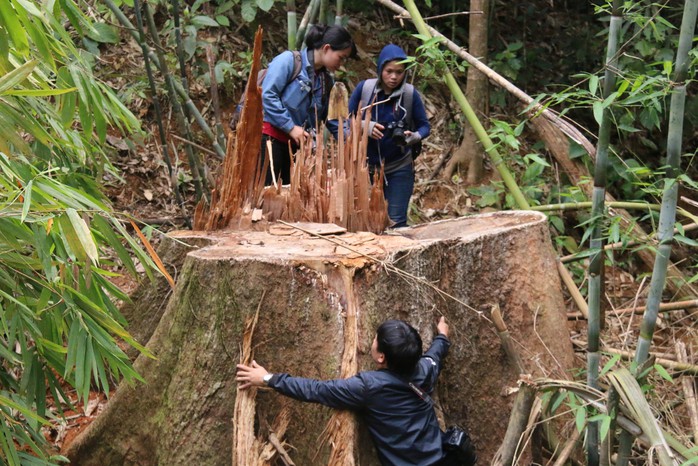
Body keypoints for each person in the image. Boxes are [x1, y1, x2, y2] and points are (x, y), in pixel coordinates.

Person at [236, 316, 457, 465]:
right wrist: (442, 335)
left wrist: (267, 378)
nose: (373, 339)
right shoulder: (426, 370)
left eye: (375, 339)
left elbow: (316, 390)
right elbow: (435, 354)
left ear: (381, 357)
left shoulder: (368, 387)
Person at [261, 24, 356, 186]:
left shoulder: (326, 81)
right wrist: (290, 127)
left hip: (297, 148)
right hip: (271, 141)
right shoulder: (289, 61)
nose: (342, 64)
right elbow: (268, 95)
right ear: (326, 48)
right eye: (341, 57)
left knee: (290, 199)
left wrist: (350, 139)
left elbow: (331, 118)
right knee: (268, 195)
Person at [348, 44, 430, 228]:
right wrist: (365, 126)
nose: (393, 77)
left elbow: (425, 126)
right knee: (362, 222)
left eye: (399, 72)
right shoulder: (365, 90)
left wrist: (414, 136)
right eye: (389, 71)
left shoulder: (410, 94)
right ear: (380, 69)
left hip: (399, 166)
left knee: (396, 222)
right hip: (364, 167)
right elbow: (342, 121)